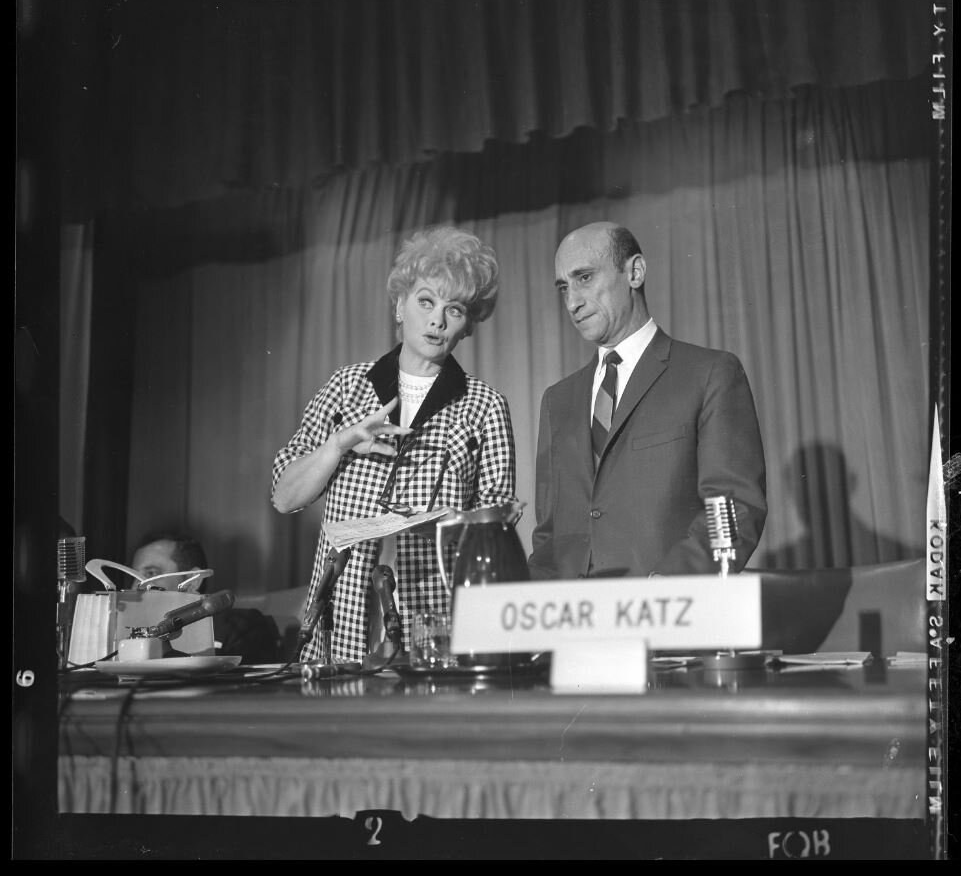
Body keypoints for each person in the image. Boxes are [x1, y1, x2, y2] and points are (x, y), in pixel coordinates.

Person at [271, 225, 517, 664]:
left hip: (433, 627)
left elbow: (491, 543)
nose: (437, 320)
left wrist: (443, 524)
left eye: (454, 309)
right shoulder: (346, 386)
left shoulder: (485, 407)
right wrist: (338, 446)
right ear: (399, 305)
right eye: (426, 301)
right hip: (341, 626)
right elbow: (284, 497)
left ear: (469, 325)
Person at [529, 222, 767, 579]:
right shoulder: (557, 400)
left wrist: (667, 589)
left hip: (670, 618)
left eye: (585, 278)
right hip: (574, 624)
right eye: (564, 288)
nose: (573, 302)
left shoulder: (708, 373)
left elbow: (732, 510)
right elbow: (549, 534)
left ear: (635, 272)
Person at [129, 532, 284, 664]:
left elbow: (248, 690)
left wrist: (167, 654)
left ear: (193, 580)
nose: (136, 585)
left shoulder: (241, 627)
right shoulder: (128, 630)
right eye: (132, 576)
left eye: (150, 573)